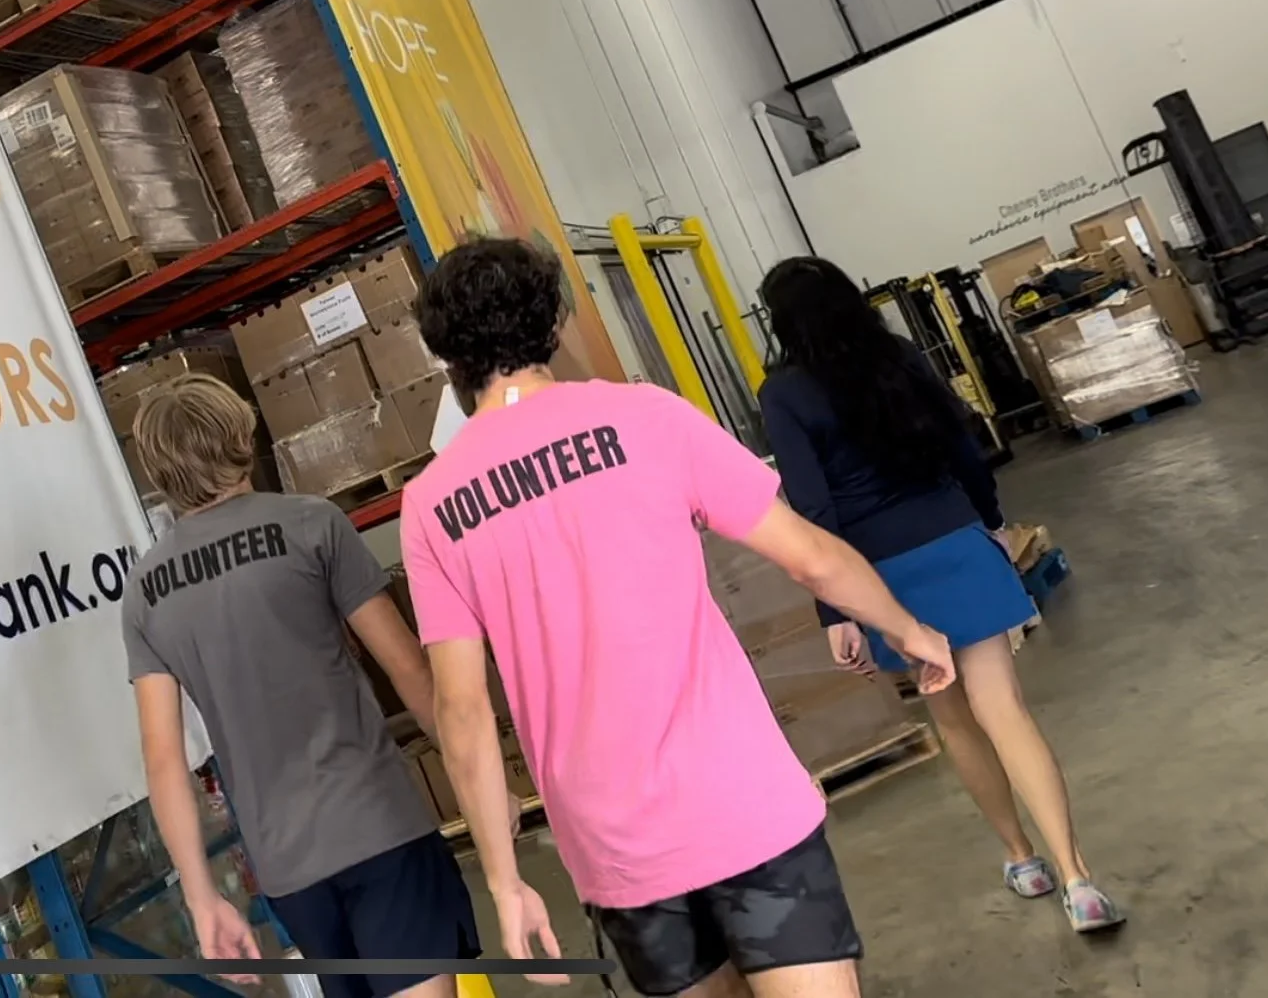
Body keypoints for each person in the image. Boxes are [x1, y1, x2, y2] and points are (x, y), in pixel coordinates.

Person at [401, 237, 958, 998]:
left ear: (445, 354)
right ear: (554, 322)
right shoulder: (644, 417)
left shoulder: (432, 505)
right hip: (737, 799)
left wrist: (504, 882)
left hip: (614, 847)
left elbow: (462, 710)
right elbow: (809, 557)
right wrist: (906, 627)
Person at [756, 256, 1124, 934]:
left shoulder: (783, 394)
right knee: (1006, 711)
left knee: (953, 721)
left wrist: (835, 609)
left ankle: (1022, 860)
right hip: (955, 541)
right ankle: (1079, 881)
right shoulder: (897, 357)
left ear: (781, 323)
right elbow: (963, 448)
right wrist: (990, 523)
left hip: (881, 578)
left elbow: (812, 508)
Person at [124, 374, 480, 998]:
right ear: (241, 434)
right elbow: (407, 668)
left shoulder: (146, 591)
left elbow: (163, 761)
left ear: (159, 471)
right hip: (378, 828)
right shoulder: (312, 525)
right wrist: (479, 780)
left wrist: (203, 899)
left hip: (289, 870)